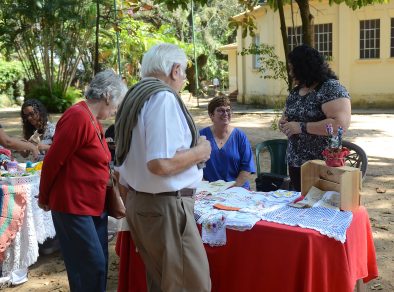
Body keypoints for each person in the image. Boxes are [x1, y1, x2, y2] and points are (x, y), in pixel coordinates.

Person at [115, 43, 212, 292]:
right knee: (191, 286)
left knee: (163, 283)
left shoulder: (134, 97)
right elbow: (159, 163)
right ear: (175, 70)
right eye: (183, 74)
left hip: (143, 203)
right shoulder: (162, 98)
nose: (183, 81)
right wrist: (200, 151)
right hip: (165, 207)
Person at [38, 69, 127, 292]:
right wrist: (45, 196)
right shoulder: (77, 116)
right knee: (90, 265)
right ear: (107, 95)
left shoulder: (93, 119)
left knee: (98, 264)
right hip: (73, 205)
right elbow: (52, 161)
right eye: (117, 103)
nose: (116, 109)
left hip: (93, 204)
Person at [279, 45, 351, 191]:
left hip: (323, 164)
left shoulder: (330, 89)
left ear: (304, 67)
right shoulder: (297, 91)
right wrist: (283, 123)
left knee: (322, 208)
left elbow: (339, 125)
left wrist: (301, 127)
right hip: (296, 163)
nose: (291, 72)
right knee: (301, 206)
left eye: (293, 68)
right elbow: (289, 116)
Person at [199, 96, 255, 189]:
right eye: (220, 110)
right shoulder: (202, 136)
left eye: (228, 110)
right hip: (211, 190)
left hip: (237, 189)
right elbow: (194, 166)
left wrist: (233, 188)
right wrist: (207, 188)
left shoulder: (240, 136)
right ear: (211, 115)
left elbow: (247, 168)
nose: (225, 113)